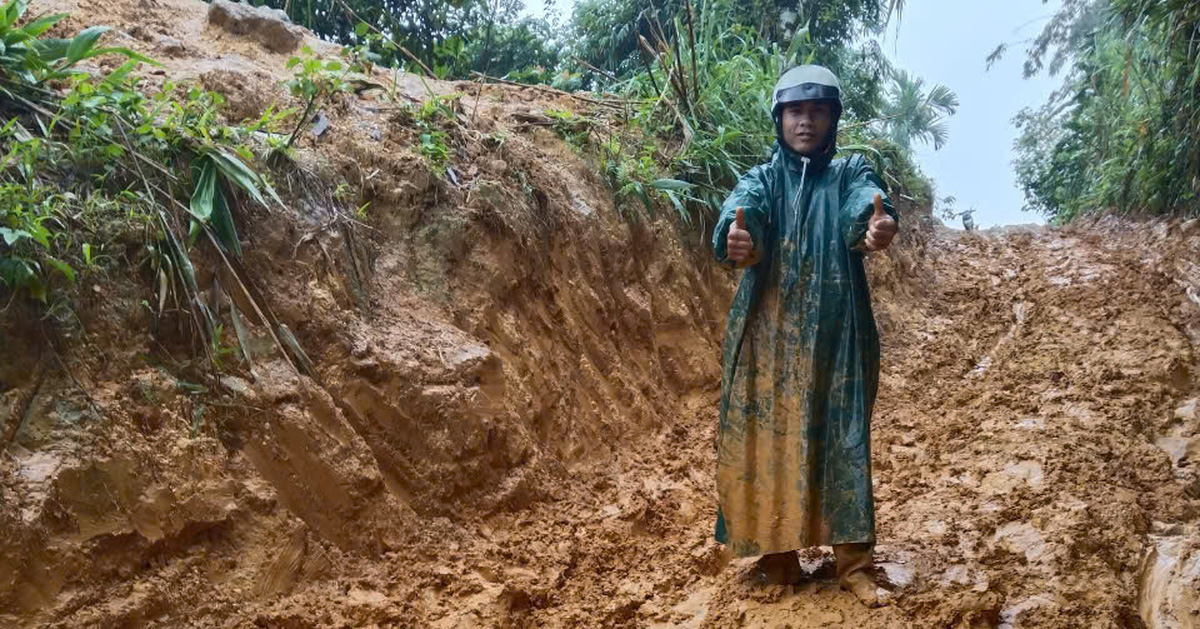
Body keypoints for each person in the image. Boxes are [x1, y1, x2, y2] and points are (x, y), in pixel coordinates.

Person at [711, 65, 898, 608]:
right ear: (780, 119)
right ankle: (778, 557)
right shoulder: (762, 178)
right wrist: (738, 238)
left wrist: (873, 225)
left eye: (817, 111)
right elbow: (742, 217)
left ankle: (855, 565)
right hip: (768, 337)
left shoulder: (850, 171)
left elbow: (863, 204)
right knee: (768, 438)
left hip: (839, 334)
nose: (806, 122)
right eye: (796, 111)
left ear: (833, 119)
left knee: (844, 437)